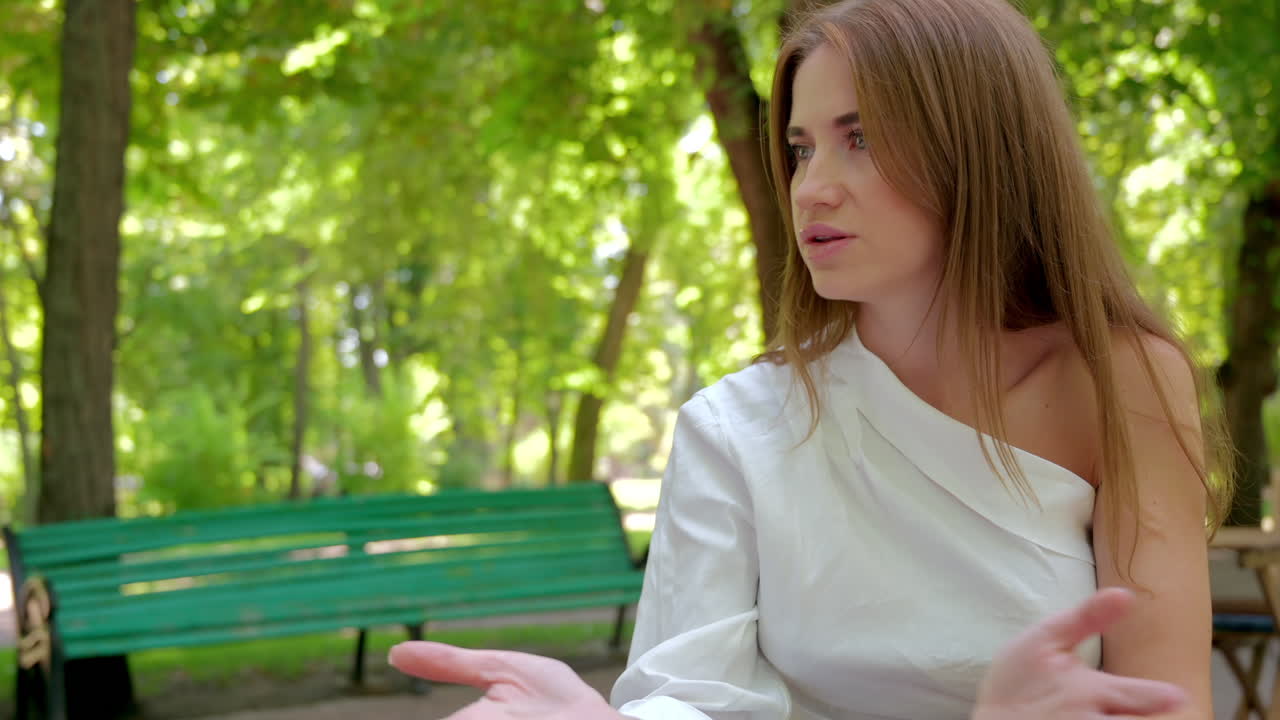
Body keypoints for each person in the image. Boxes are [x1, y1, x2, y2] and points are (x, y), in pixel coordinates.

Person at [389, 0, 1233, 717]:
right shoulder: (736, 429)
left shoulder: (1125, 378)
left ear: (979, 147)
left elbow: (1169, 702)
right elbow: (690, 698)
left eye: (859, 138)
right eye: (801, 148)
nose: (812, 187)